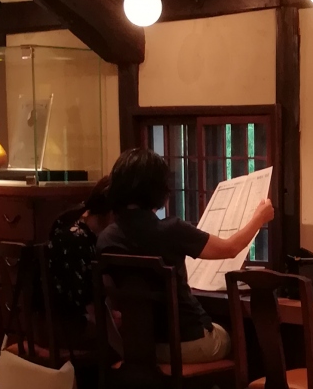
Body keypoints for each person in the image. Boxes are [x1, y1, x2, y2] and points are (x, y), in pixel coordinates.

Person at [97, 148, 273, 365]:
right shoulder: (171, 230)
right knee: (233, 337)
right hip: (184, 342)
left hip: (137, 348)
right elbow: (230, 248)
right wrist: (259, 218)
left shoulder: (106, 238)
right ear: (158, 188)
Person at [46, 176, 112, 327]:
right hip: (69, 329)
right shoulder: (78, 240)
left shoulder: (73, 225)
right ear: (111, 213)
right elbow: (88, 308)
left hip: (57, 324)